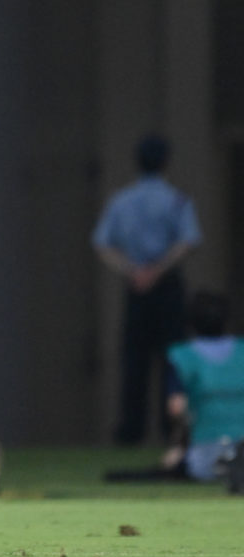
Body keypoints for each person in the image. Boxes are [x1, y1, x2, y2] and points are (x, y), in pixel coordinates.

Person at [92, 134, 202, 445]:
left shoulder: (121, 200)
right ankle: (173, 429)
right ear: (166, 162)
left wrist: (133, 270)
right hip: (166, 285)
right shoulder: (177, 199)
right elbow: (188, 241)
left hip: (135, 285)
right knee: (174, 360)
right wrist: (158, 269)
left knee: (134, 360)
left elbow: (102, 244)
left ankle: (131, 430)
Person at [166, 292, 244, 483]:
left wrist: (181, 448)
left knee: (187, 464)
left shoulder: (182, 355)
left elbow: (177, 408)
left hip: (206, 449)